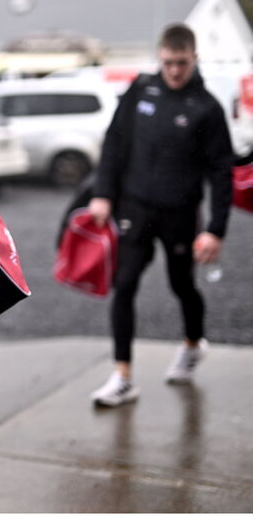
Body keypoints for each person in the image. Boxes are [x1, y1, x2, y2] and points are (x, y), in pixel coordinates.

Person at [88, 23, 234, 407]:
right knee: (126, 284)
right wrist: (103, 194)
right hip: (135, 208)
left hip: (181, 214)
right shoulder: (141, 90)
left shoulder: (207, 108)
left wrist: (216, 230)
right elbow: (114, 142)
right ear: (160, 57)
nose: (174, 71)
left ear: (194, 59)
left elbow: (222, 172)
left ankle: (192, 342)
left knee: (181, 286)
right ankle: (123, 375)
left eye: (181, 63)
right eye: (168, 62)